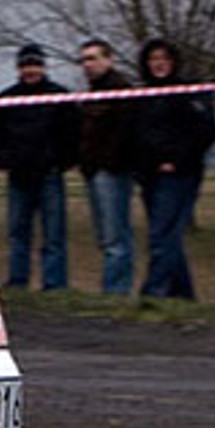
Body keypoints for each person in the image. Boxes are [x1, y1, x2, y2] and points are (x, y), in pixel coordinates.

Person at [0, 43, 80, 290]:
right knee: (18, 235)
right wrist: (3, 160)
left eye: (35, 65)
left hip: (49, 175)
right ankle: (18, 280)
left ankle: (55, 284)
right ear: (18, 68)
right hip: (19, 176)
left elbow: (74, 135)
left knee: (54, 236)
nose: (31, 70)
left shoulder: (60, 96)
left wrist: (60, 162)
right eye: (26, 65)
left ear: (43, 67)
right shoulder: (7, 98)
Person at [132, 38, 215, 300]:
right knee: (167, 236)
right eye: (154, 59)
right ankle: (184, 294)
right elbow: (136, 134)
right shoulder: (142, 95)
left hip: (180, 174)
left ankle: (154, 292)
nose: (159, 64)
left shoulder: (189, 92)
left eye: (164, 59)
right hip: (149, 176)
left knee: (162, 235)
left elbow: (206, 132)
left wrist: (177, 160)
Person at [75, 38, 139, 294]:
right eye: (84, 60)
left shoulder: (121, 90)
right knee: (104, 236)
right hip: (93, 171)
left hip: (112, 172)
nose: (87, 65)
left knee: (115, 237)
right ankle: (113, 287)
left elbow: (126, 132)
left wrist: (110, 162)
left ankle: (117, 290)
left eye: (92, 58)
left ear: (108, 59)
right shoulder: (92, 94)